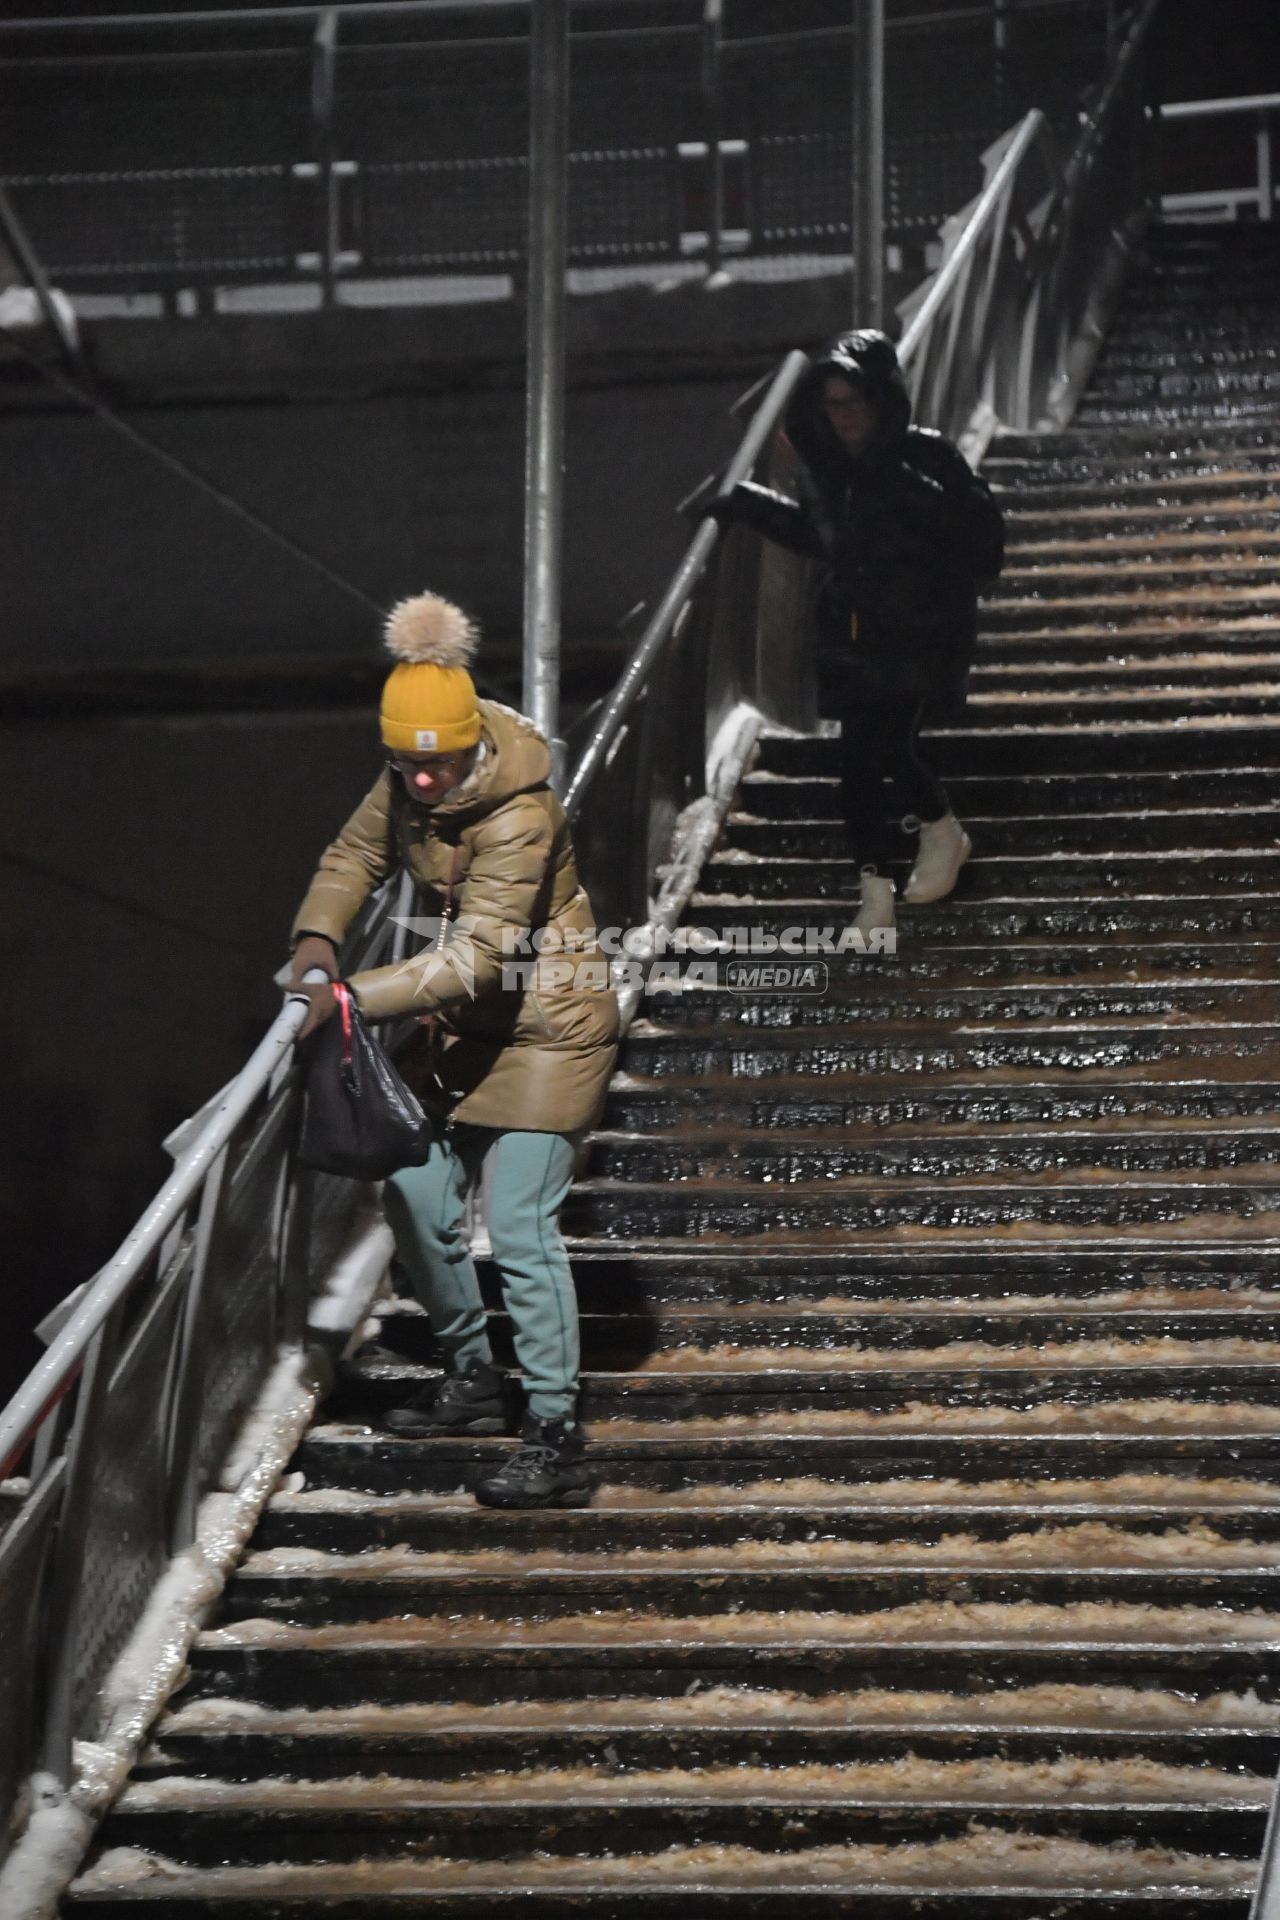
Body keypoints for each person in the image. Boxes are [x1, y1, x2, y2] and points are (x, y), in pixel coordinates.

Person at [287, 592, 618, 1509]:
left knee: (517, 1223)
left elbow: (478, 957)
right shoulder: (406, 772)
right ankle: (472, 1378)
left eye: (435, 767)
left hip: (550, 1027)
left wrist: (349, 995)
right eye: (406, 766)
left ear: (468, 743)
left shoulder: (520, 813)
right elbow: (355, 857)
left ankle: (555, 1430)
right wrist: (318, 938)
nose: (420, 784)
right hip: (463, 1030)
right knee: (412, 1186)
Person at [705, 328, 1005, 942]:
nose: (843, 417)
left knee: (886, 746)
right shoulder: (830, 468)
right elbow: (827, 541)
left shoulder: (925, 455)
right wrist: (748, 503)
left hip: (921, 630)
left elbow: (977, 539)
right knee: (858, 762)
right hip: (855, 629)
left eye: (855, 402)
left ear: (881, 400)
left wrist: (897, 491)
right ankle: (877, 891)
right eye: (833, 404)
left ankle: (937, 833)